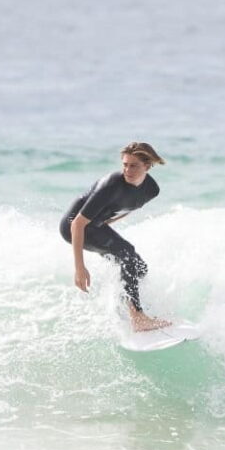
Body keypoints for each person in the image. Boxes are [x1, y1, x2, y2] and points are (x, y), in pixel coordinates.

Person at [59, 142, 171, 332]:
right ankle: (137, 317)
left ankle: (124, 308)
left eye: (133, 165)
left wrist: (105, 227)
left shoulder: (152, 190)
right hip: (74, 227)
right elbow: (77, 224)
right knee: (126, 252)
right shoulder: (111, 185)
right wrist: (79, 268)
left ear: (147, 166)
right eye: (125, 165)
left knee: (139, 268)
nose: (127, 170)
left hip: (96, 225)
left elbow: (127, 206)